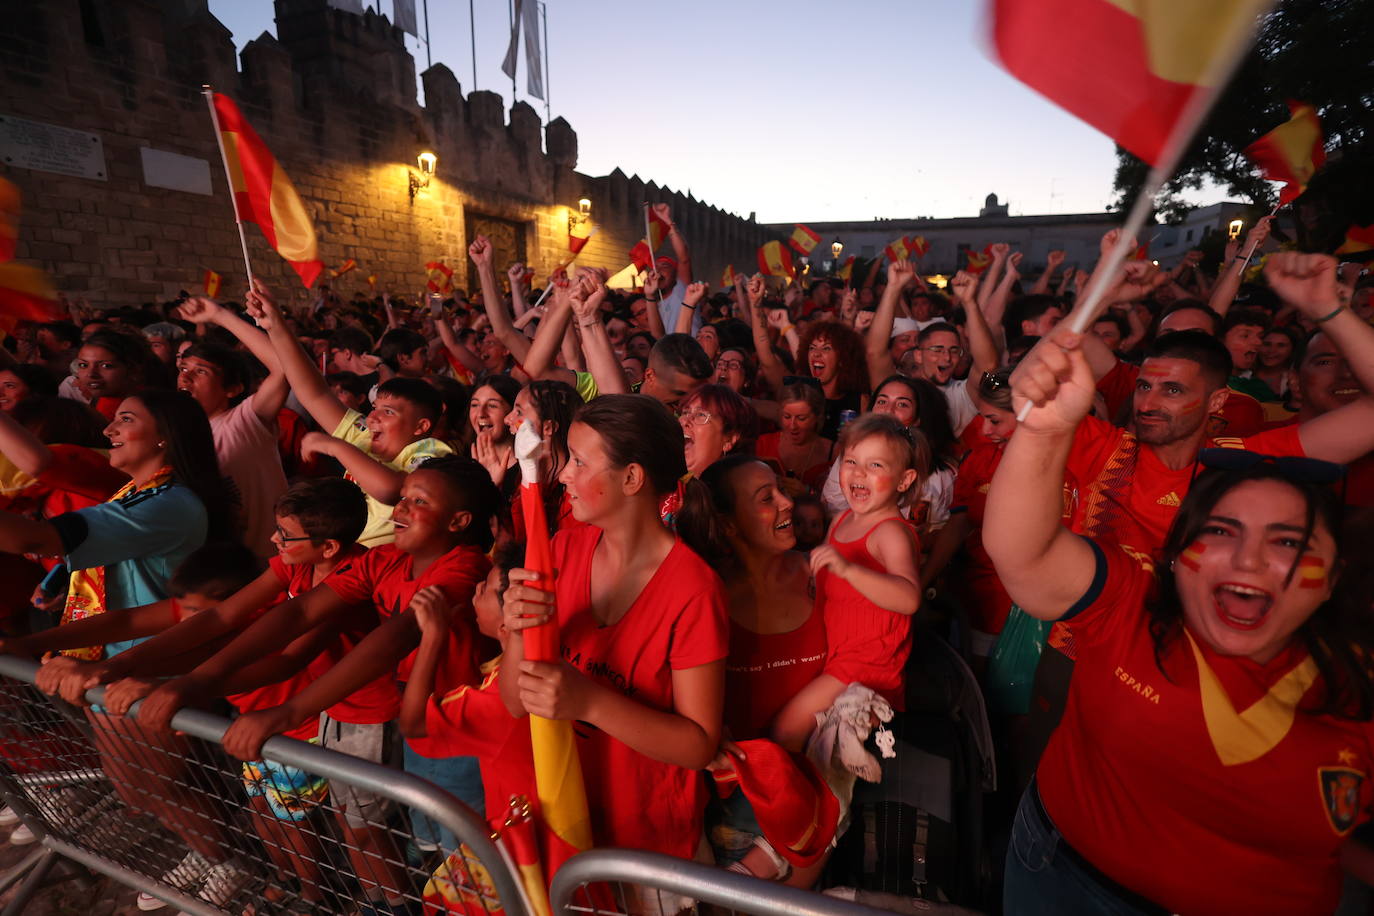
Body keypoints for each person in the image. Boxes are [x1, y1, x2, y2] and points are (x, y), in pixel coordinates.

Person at [985, 325, 1373, 915]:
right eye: (1220, 531)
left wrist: (1330, 308)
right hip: (1075, 663)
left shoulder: (1252, 467)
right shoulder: (1126, 590)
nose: (1247, 560)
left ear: (1336, 576)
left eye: (1287, 542)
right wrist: (1040, 416)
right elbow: (1024, 550)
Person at [497, 394, 727, 862]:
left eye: (579, 462)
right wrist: (520, 630)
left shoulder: (694, 591)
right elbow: (514, 702)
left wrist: (590, 701)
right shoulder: (562, 550)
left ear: (632, 478)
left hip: (645, 840)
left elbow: (699, 745)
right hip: (562, 818)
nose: (563, 474)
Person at [251, 283, 452, 546]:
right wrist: (275, 325)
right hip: (347, 552)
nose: (372, 418)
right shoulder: (365, 436)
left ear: (420, 426)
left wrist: (335, 445)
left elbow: (391, 490)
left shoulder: (432, 453)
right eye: (375, 408)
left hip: (386, 560)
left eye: (388, 412)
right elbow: (314, 394)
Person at [771, 413, 924, 750]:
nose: (858, 473)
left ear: (904, 480)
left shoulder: (891, 533)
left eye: (875, 466)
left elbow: (909, 597)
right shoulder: (840, 520)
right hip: (833, 651)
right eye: (851, 461)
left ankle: (811, 800)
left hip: (866, 665)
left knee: (787, 731)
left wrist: (849, 570)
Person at [175, 295, 290, 558]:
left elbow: (284, 369)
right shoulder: (175, 434)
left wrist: (220, 316)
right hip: (214, 572)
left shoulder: (244, 421)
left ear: (233, 389)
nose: (185, 376)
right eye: (183, 368)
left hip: (267, 566)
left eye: (201, 371)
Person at [756, 382, 834, 497]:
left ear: (817, 417)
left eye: (801, 418)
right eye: (787, 417)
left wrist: (808, 493)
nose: (792, 426)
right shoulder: (762, 443)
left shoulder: (834, 452)